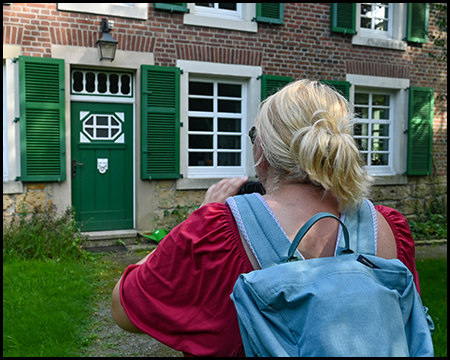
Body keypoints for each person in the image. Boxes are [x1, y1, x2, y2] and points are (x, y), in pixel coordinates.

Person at [111, 79, 421, 357]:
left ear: (262, 151)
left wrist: (191, 223)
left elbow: (125, 308)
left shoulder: (213, 231)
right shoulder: (388, 228)